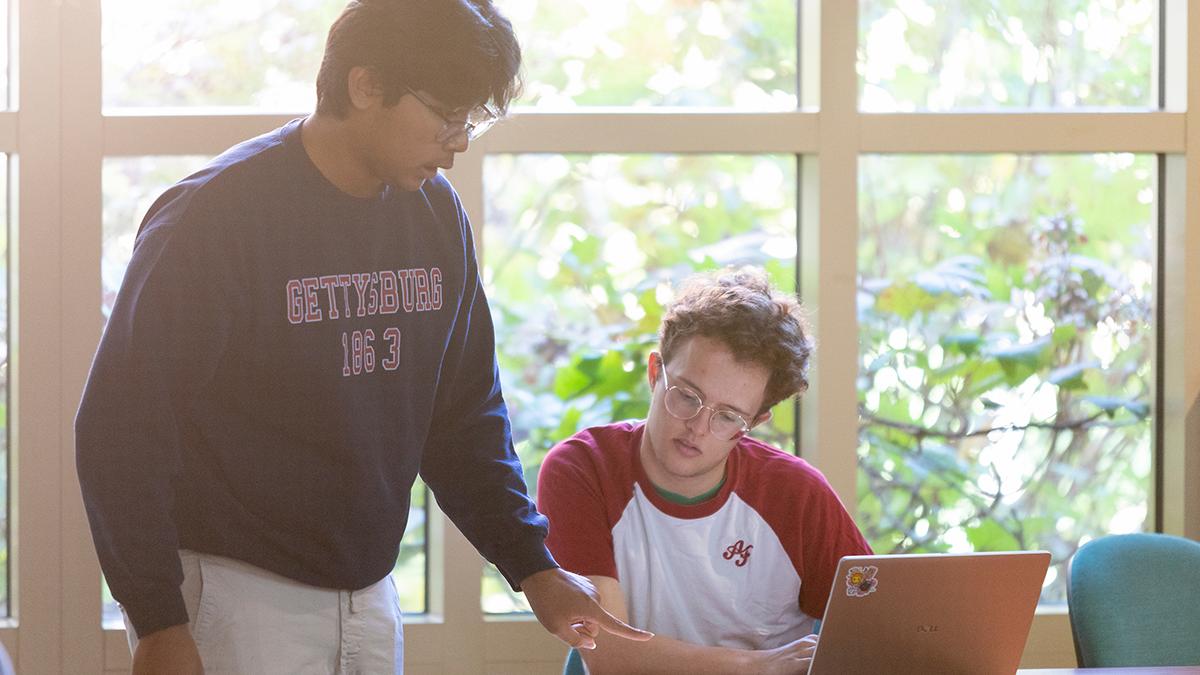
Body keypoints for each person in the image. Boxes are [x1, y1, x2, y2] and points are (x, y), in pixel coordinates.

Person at [74, 1, 649, 673]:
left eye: (472, 119)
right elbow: (121, 430)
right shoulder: (218, 217)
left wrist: (533, 566)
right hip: (230, 593)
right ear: (366, 85)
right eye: (446, 113)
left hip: (372, 595)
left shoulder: (436, 219)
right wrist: (156, 621)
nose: (459, 140)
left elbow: (463, 420)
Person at [537, 267, 873, 674]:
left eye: (728, 416)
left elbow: (873, 633)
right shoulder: (583, 469)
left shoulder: (798, 495)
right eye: (687, 396)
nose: (697, 426)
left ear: (756, 422)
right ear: (655, 373)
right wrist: (761, 667)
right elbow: (611, 654)